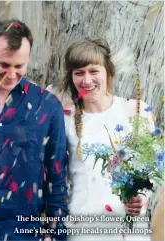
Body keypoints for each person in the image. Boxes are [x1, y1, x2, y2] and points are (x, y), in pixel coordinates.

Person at [0, 19, 68, 241]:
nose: (11, 74)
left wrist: (53, 236)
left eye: (19, 66)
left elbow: (57, 179)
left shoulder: (47, 106)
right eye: (4, 65)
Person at [47, 38, 155, 241]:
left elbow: (150, 170)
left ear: (108, 71)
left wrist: (141, 197)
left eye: (93, 71)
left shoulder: (135, 111)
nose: (86, 80)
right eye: (79, 73)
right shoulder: (66, 118)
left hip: (128, 231)